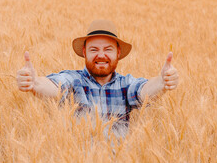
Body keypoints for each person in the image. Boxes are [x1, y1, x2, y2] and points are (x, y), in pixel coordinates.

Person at [16, 19, 179, 137]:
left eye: (108, 49)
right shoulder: (74, 81)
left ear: (118, 53)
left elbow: (143, 91)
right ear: (85, 52)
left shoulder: (126, 84)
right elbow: (55, 87)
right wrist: (35, 83)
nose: (101, 55)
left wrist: (162, 83)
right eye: (94, 49)